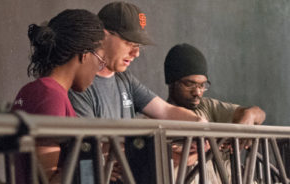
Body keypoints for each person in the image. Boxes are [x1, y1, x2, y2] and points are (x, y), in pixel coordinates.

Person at [11, 9, 105, 184]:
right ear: (85, 55)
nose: (98, 70)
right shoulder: (51, 96)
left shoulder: (34, 90)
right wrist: (96, 161)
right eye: (100, 60)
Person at [69, 2, 203, 122]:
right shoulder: (79, 85)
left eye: (139, 46)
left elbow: (165, 110)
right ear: (103, 36)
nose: (136, 53)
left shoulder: (124, 79)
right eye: (130, 43)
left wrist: (199, 123)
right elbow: (91, 145)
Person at [164, 43, 266, 184]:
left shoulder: (207, 106)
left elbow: (259, 113)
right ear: (172, 82)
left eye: (202, 85)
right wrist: (208, 147)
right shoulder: (154, 120)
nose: (197, 92)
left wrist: (247, 119)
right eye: (189, 84)